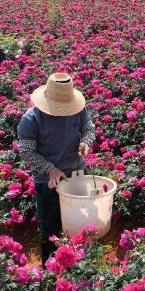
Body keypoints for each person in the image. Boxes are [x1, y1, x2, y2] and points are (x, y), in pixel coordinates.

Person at [17, 73, 95, 264]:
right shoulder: (31, 119)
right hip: (48, 182)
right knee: (51, 230)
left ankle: (79, 270)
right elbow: (27, 151)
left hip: (76, 176)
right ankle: (51, 273)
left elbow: (89, 128)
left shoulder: (78, 110)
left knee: (80, 225)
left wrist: (85, 142)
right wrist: (50, 169)